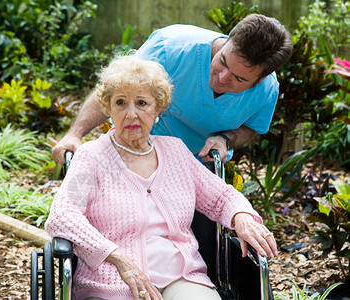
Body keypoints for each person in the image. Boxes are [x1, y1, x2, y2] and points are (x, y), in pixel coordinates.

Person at [45, 55, 278, 300]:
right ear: (109, 108)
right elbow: (62, 215)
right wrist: (118, 258)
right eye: (121, 103)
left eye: (142, 103)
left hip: (182, 278)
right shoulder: (91, 157)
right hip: (112, 282)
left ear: (158, 108)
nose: (131, 114)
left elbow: (222, 196)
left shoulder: (175, 151)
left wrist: (241, 217)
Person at [51, 14, 293, 165]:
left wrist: (224, 139)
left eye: (238, 78)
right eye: (222, 61)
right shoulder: (170, 48)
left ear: (260, 79)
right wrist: (76, 134)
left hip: (198, 164)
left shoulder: (267, 90)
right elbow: (114, 88)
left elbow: (249, 128)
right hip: (137, 150)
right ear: (226, 40)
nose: (221, 78)